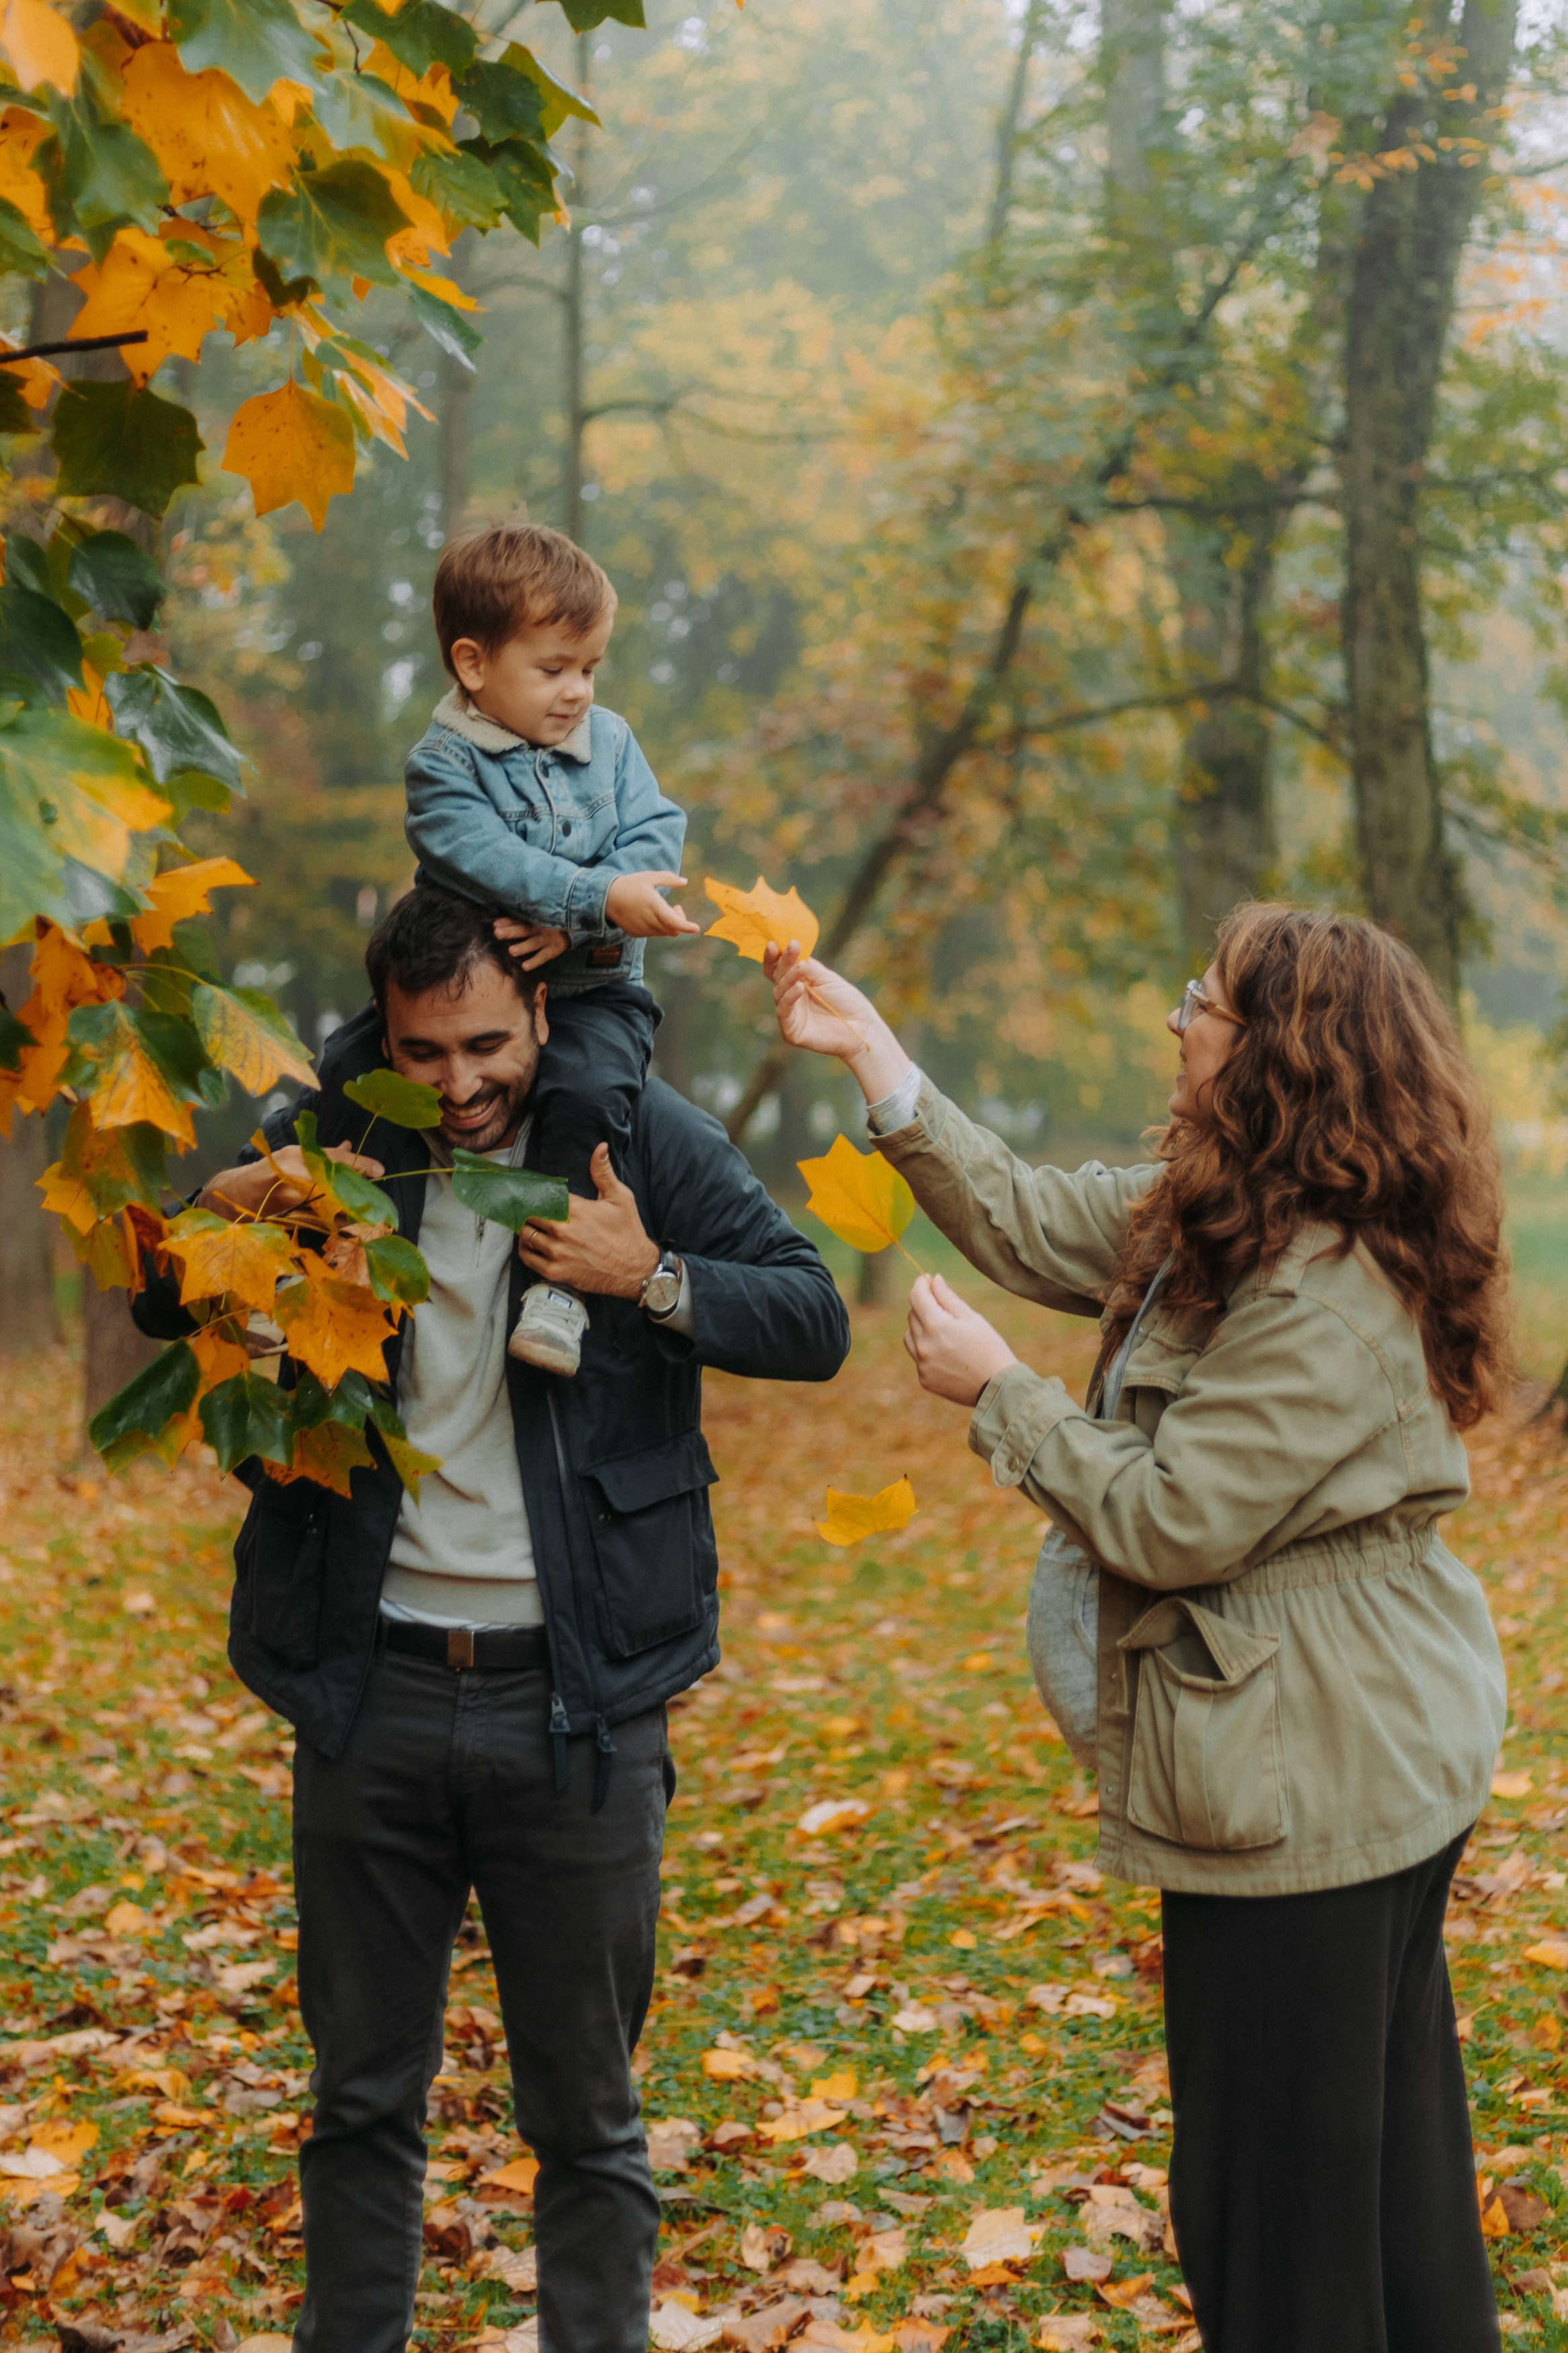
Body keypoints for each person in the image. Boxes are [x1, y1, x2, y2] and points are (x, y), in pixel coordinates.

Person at [767, 904, 1508, 2353]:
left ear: (1278, 1055)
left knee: (1272, 2214)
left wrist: (1000, 1394)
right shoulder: (1230, 1213)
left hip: (1307, 1784)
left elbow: (1174, 1517)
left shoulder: (1327, 1287)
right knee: (1373, 2183)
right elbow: (1034, 1217)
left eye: (1203, 1003)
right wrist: (879, 1065)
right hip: (1330, 1761)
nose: (1177, 1020)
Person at [132, 883, 851, 2353]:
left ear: (541, 1013)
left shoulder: (633, 1137)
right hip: (370, 1689)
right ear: (381, 1035)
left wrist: (642, 1276)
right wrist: (223, 1210)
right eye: (423, 1050)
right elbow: (169, 1298)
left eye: (484, 1045)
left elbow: (811, 1314)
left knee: (586, 2117)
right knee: (358, 2106)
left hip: (574, 1706)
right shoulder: (346, 1142)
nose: (458, 1084)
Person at [405, 520, 702, 1375]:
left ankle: (556, 1293)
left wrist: (583, 915)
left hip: (595, 990)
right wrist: (588, 892)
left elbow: (654, 833)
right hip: (474, 997)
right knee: (356, 1066)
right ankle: (305, 1239)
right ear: (473, 664)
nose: (577, 691)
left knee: (587, 1094)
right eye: (552, 668)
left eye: (589, 668)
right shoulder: (443, 763)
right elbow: (476, 851)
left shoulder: (610, 743)